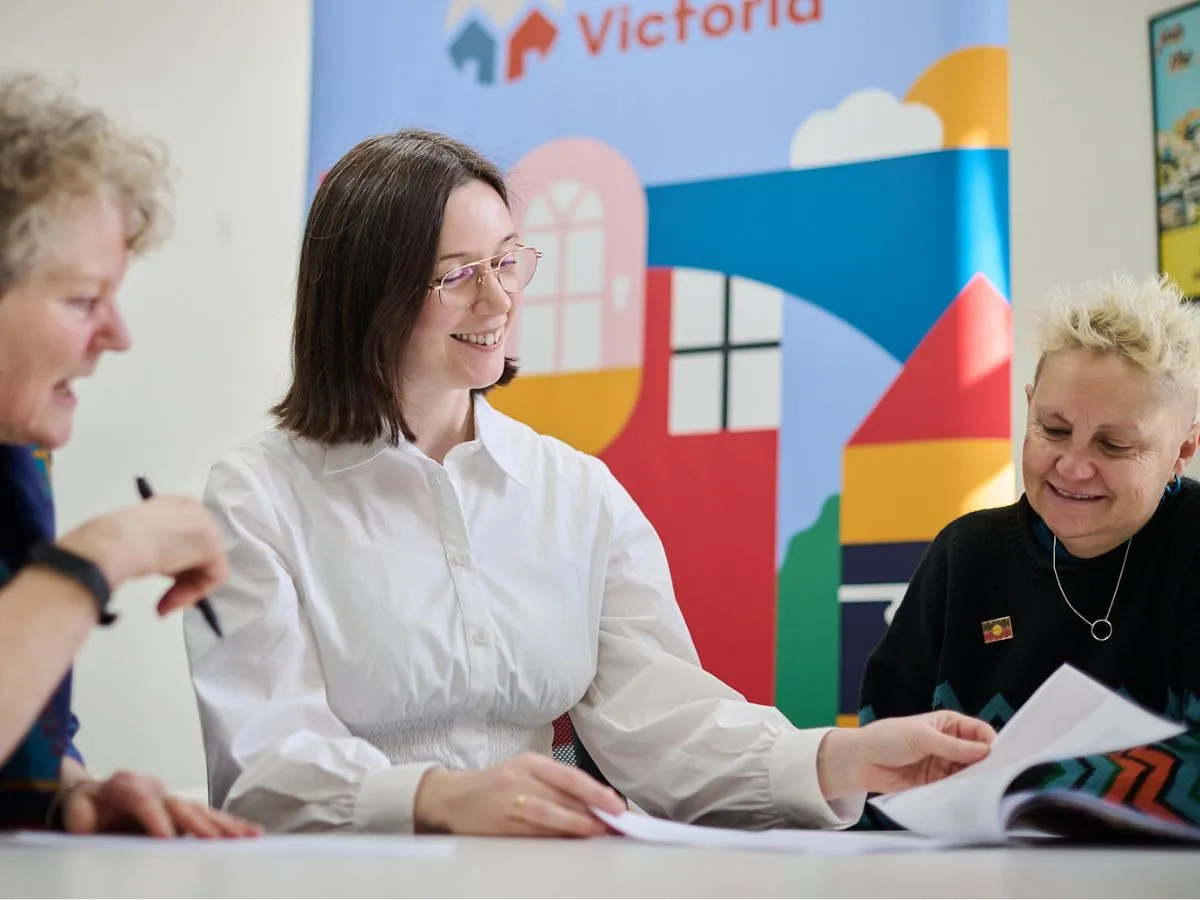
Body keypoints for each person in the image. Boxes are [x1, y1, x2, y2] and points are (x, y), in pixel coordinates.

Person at [183, 128, 995, 837]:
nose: (499, 298)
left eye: (508, 260)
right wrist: (442, 799)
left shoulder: (575, 492)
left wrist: (840, 757)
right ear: (365, 297)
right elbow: (264, 763)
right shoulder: (258, 497)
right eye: (458, 274)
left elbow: (664, 726)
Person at [0, 71, 260, 838]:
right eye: (84, 301)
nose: (118, 335)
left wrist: (63, 790)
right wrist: (101, 554)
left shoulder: (18, 454)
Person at [859, 273, 1200, 828]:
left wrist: (1018, 783)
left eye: (1114, 445)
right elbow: (877, 772)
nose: (1072, 466)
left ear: (1183, 449)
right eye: (1053, 429)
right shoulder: (964, 555)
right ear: (1028, 406)